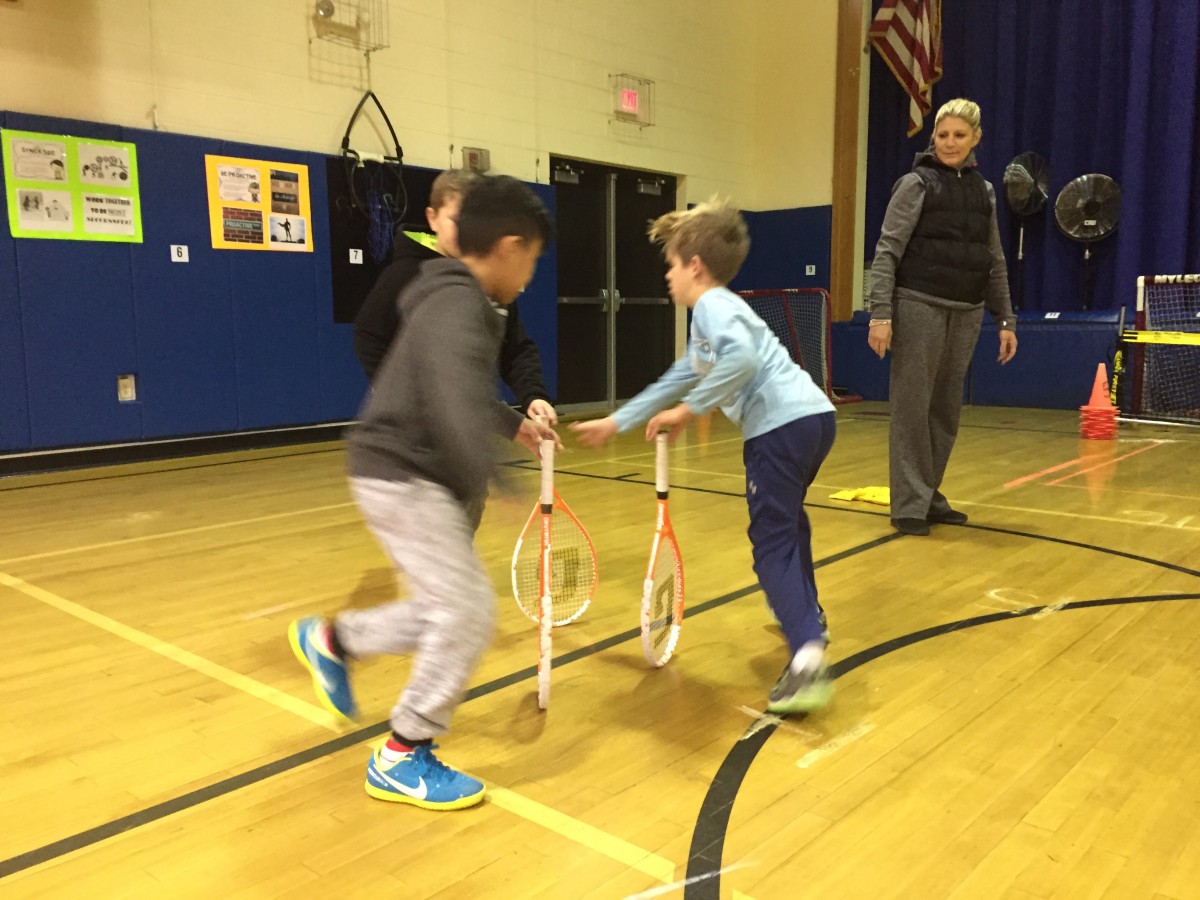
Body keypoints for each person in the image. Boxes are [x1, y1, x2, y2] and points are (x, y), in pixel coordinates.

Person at [289, 175, 556, 810]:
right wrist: (497, 472)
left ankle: (336, 640)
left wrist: (511, 422)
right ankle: (402, 753)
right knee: (468, 613)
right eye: (534, 259)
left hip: (406, 472)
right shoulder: (458, 302)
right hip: (404, 474)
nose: (532, 274)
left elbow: (458, 383)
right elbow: (448, 390)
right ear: (510, 246)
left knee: (445, 608)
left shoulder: (462, 299)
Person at [571, 199, 838, 716]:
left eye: (670, 264)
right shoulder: (714, 316)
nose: (667, 276)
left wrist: (690, 412)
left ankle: (807, 655)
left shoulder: (715, 305)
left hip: (779, 428)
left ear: (695, 265)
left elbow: (740, 360)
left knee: (771, 543)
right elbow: (680, 376)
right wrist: (617, 421)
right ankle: (811, 618)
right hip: (814, 419)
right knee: (789, 526)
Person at [867, 98, 1018, 537]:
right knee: (913, 410)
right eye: (943, 134)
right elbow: (887, 250)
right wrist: (881, 313)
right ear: (933, 137)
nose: (949, 142)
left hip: (967, 312)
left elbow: (994, 259)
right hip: (918, 306)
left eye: (959, 135)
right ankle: (909, 504)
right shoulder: (916, 184)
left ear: (976, 139)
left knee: (945, 412)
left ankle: (929, 494)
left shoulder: (984, 192)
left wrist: (1005, 319)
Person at [354, 169, 557, 424]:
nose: (465, 231)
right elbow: (369, 334)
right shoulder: (406, 276)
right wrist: (398, 393)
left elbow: (515, 346)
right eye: (456, 220)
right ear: (433, 218)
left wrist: (533, 395)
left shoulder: (490, 280)